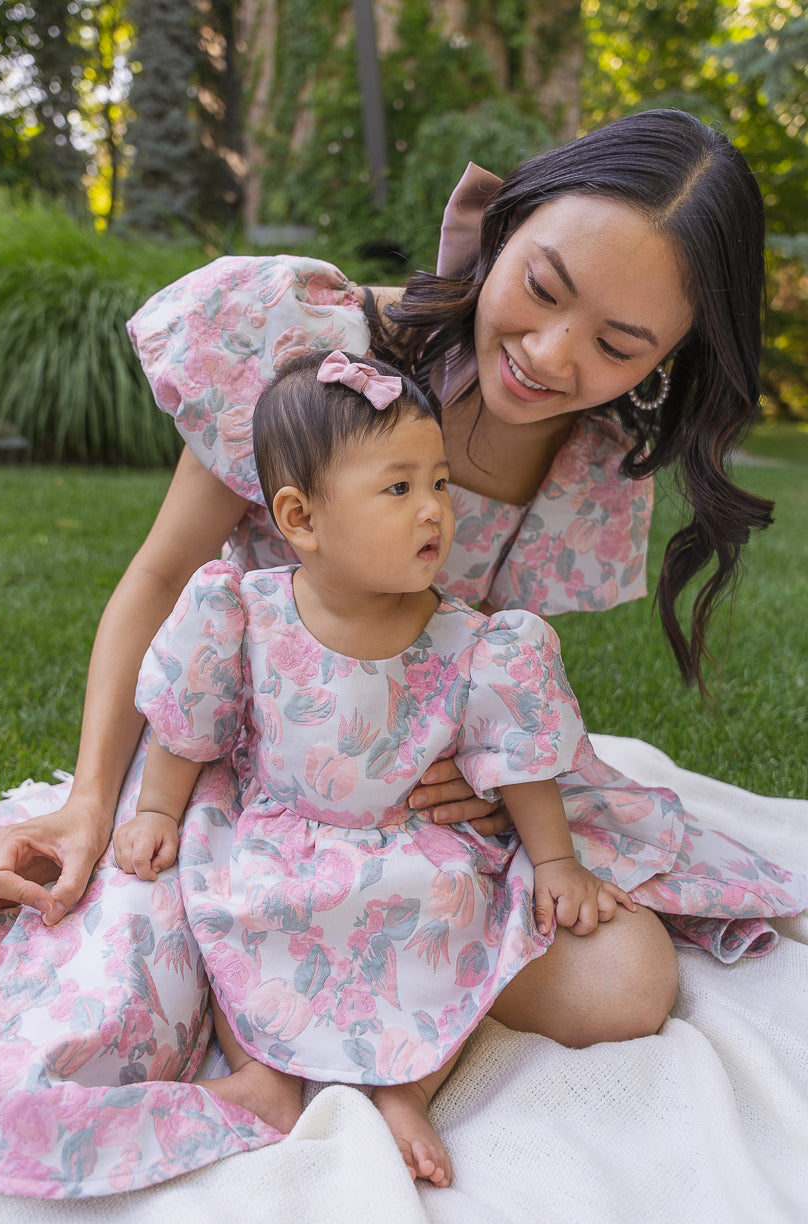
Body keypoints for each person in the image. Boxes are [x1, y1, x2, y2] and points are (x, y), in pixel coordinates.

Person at [0, 108, 805, 1197]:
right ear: (499, 227)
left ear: (669, 359)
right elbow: (157, 580)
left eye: (619, 346)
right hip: (244, 760)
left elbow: (496, 675)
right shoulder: (312, 353)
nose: (552, 356)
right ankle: (299, 1023)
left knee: (626, 982)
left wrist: (487, 787)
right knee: (125, 971)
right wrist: (101, 797)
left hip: (415, 800)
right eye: (545, 289)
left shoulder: (590, 464)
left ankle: (362, 1024)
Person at [112, 348, 633, 1186]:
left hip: (410, 846)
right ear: (302, 517)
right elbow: (189, 722)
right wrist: (158, 813)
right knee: (247, 920)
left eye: (438, 484)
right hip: (284, 838)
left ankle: (409, 1085)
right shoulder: (244, 610)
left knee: (445, 927)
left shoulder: (473, 641)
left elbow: (520, 757)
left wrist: (556, 859)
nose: (432, 511)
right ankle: (271, 1073)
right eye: (399, 489)